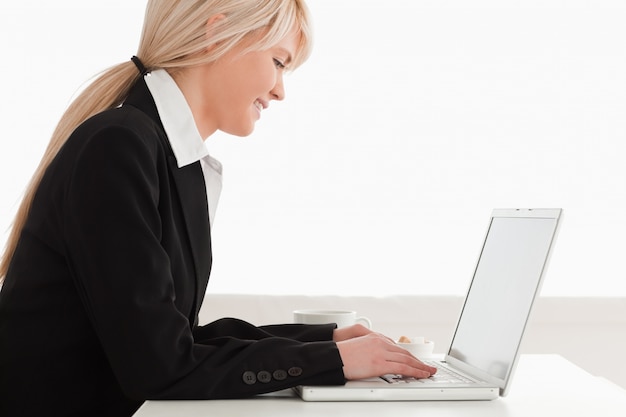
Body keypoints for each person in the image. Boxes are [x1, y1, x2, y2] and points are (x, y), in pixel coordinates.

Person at [0, 1, 436, 415]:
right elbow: (161, 368)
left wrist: (328, 341)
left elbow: (177, 340)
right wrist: (331, 359)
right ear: (218, 34)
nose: (280, 91)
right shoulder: (119, 147)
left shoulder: (173, 160)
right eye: (279, 62)